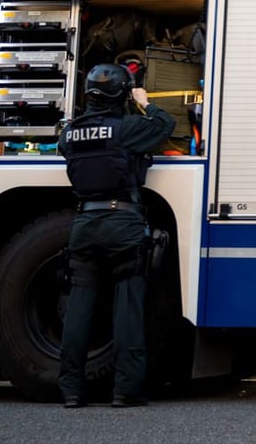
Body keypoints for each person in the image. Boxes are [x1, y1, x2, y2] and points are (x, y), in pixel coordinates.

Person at [57, 63, 175, 408]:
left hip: (84, 224)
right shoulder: (126, 129)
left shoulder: (70, 133)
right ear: (122, 94)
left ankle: (71, 391)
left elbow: (71, 152)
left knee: (78, 310)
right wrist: (145, 102)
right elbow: (165, 125)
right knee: (128, 309)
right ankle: (126, 390)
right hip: (122, 223)